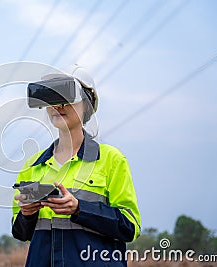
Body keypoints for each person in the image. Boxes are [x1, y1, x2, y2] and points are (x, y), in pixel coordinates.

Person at [11, 69, 141, 267]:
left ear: (87, 106)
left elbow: (130, 227)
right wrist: (27, 215)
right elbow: (20, 232)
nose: (58, 106)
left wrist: (80, 209)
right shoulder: (32, 166)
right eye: (52, 96)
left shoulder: (111, 160)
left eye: (67, 96)